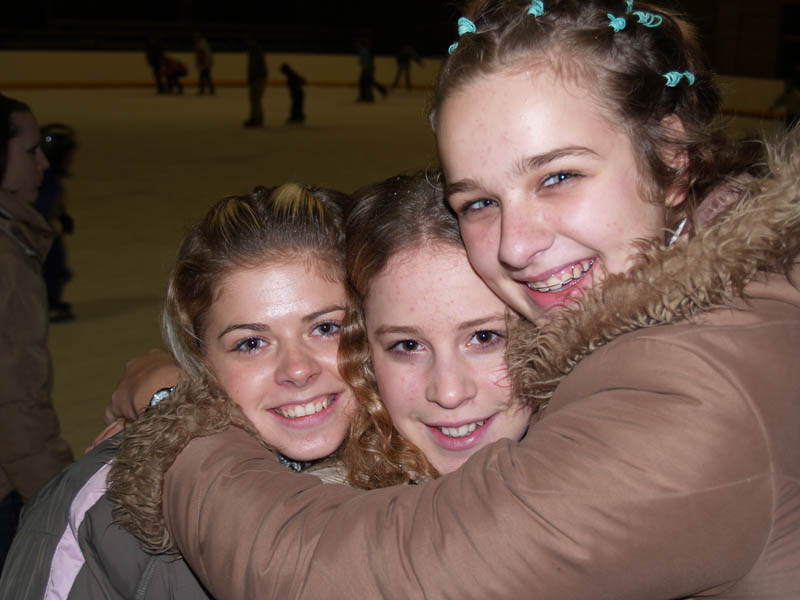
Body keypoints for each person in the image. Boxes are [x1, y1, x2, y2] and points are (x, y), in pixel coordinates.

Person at [142, 1, 800, 598]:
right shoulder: (705, 313)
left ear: (674, 156)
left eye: (558, 176)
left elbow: (342, 576)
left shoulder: (699, 383)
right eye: (480, 202)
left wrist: (173, 418)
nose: (516, 244)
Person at [0, 184, 354, 597]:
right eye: (251, 343)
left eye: (326, 328)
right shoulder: (102, 513)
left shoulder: (420, 477)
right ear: (199, 357)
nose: (297, 369)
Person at [342, 171, 532, 484]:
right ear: (362, 352)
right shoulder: (325, 504)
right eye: (408, 346)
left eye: (484, 337)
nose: (449, 393)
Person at [0, 95, 73, 573]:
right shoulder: (5, 262)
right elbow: (13, 399)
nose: (44, 163)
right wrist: (59, 498)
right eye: (30, 151)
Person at [36, 123, 77, 323]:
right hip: (38, 232)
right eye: (67, 155)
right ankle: (46, 303)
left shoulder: (51, 178)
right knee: (49, 265)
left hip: (47, 230)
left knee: (56, 264)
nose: (71, 160)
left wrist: (61, 216)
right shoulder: (43, 180)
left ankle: (50, 299)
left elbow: (54, 203)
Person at [244, 36, 267, 127]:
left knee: (255, 100)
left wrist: (251, 78)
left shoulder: (254, 51)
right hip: (259, 78)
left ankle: (256, 119)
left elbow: (254, 67)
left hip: (257, 78)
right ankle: (258, 118)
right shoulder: (256, 50)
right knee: (256, 100)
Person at [356, 38, 387, 103]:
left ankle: (368, 97)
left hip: (368, 69)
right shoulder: (364, 50)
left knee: (366, 83)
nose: (356, 45)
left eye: (358, 43)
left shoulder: (364, 50)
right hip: (368, 68)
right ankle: (381, 91)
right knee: (367, 82)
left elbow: (367, 60)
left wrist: (367, 68)